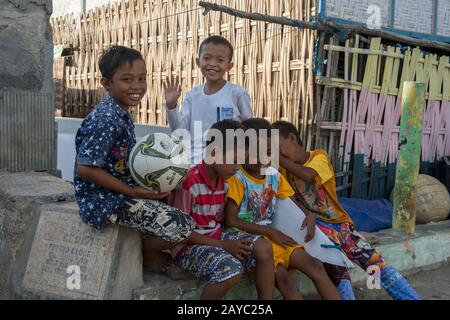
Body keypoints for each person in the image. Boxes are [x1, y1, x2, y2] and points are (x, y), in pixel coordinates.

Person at [74, 45, 197, 273]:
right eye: (127, 79)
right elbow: (85, 169)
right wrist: (132, 192)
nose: (137, 86)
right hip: (103, 201)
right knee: (182, 227)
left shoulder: (121, 113)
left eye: (142, 79)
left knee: (178, 191)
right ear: (107, 84)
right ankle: (138, 255)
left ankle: (150, 252)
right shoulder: (105, 118)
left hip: (121, 192)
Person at [272, 120, 422, 300]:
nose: (278, 153)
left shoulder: (319, 157)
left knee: (376, 265)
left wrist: (278, 159)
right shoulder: (282, 170)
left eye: (279, 147)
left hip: (340, 226)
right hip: (319, 231)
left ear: (292, 138)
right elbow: (286, 198)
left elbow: (309, 175)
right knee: (338, 276)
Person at [224, 118, 341, 300]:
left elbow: (291, 200)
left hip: (275, 238)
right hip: (254, 243)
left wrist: (308, 214)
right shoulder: (237, 178)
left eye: (268, 152)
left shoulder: (273, 174)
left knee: (316, 267)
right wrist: (269, 232)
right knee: (286, 283)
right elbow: (231, 220)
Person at [170, 119, 275, 300]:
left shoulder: (223, 182)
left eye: (240, 161)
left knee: (264, 248)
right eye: (234, 160)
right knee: (231, 270)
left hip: (216, 238)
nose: (237, 167)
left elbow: (218, 225)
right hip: (187, 247)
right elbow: (180, 233)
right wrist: (223, 246)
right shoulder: (189, 184)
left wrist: (226, 243)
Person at [164, 35, 253, 165]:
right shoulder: (192, 96)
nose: (212, 64)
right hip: (196, 167)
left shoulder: (237, 94)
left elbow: (249, 129)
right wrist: (171, 106)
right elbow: (179, 132)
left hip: (226, 167)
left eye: (220, 60)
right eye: (207, 58)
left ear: (229, 66)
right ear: (198, 62)